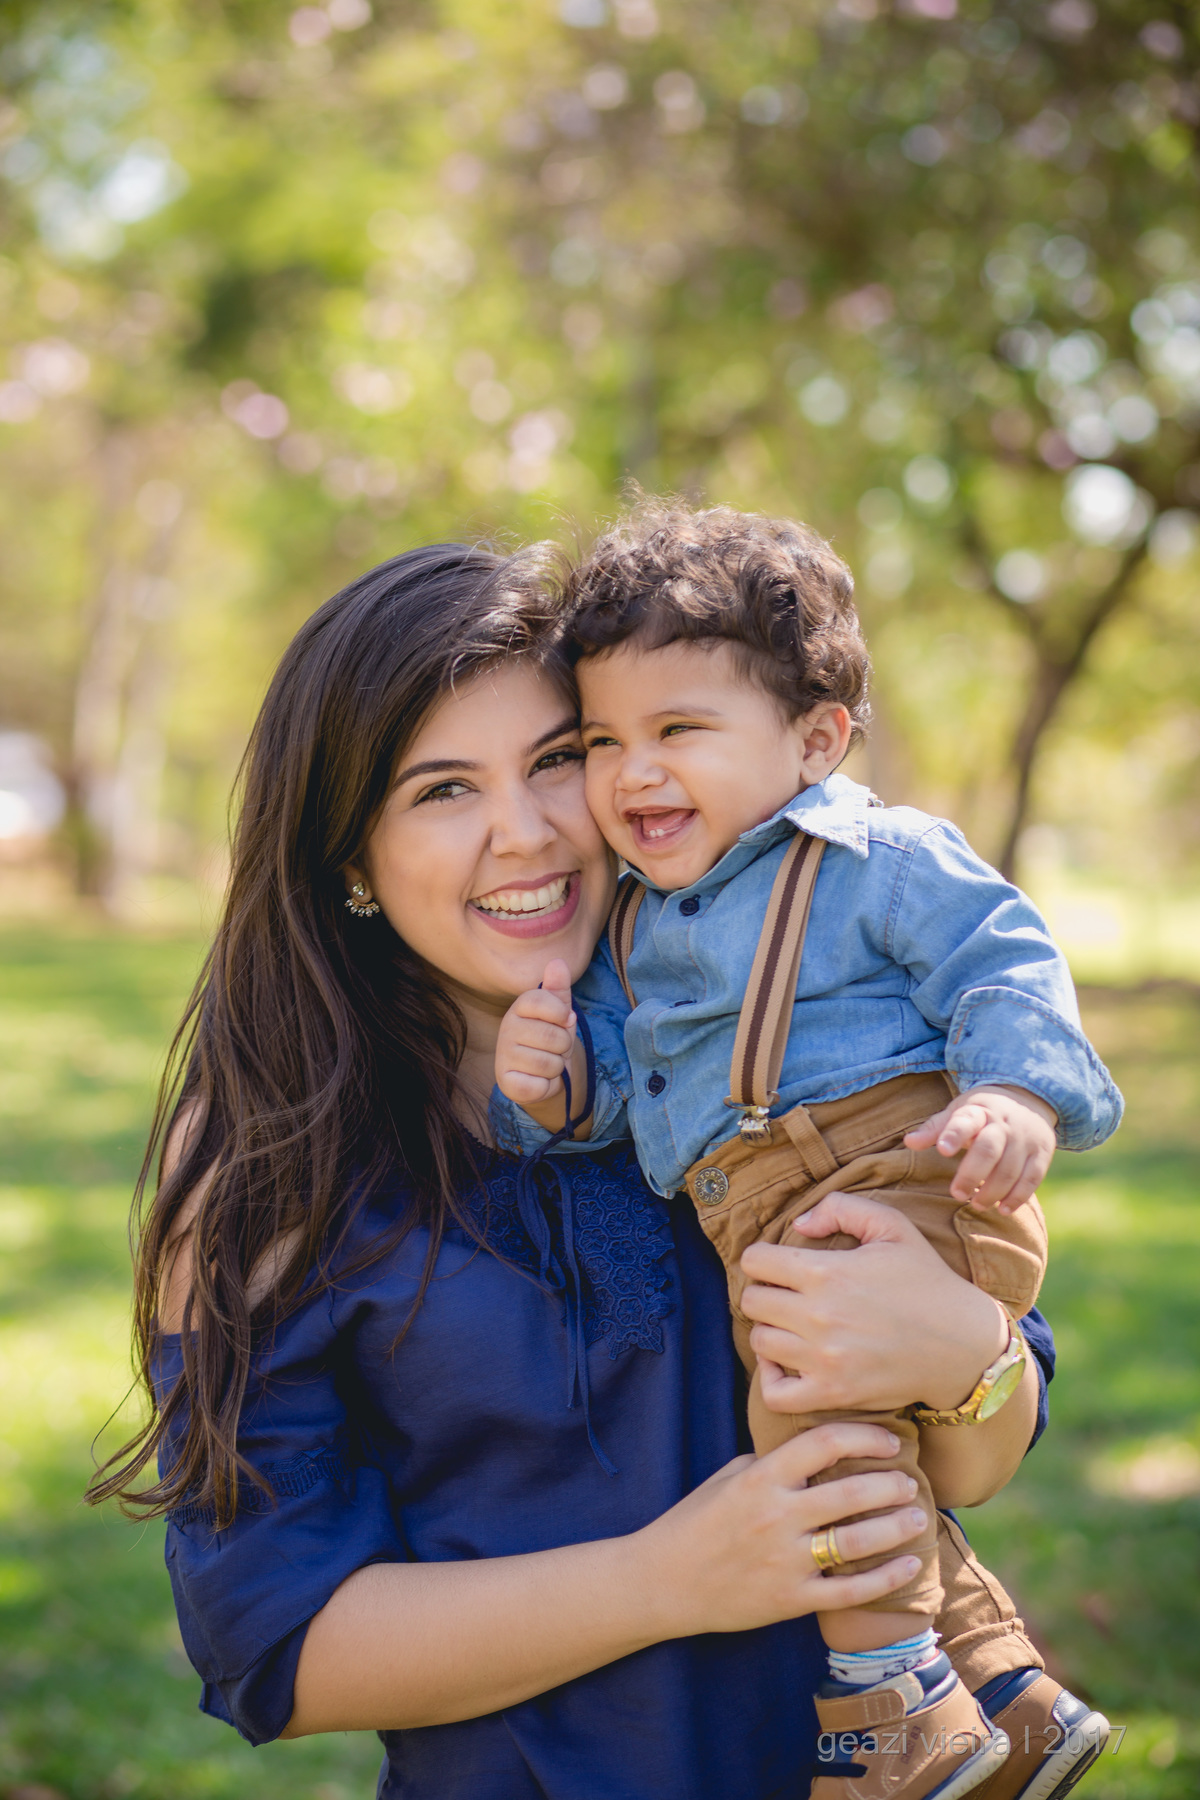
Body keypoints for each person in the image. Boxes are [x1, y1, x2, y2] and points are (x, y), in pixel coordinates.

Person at [90, 543, 1057, 1800]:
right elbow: (275, 1646)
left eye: (558, 759)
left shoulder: (793, 1033)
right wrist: (671, 1578)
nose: (529, 832)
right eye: (442, 790)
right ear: (349, 858)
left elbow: (973, 1459)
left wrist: (967, 1359)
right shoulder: (269, 1156)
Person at [493, 500, 1118, 1800]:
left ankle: (897, 1714)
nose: (631, 774)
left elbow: (1001, 959)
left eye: (678, 731)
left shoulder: (869, 858)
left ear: (817, 739)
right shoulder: (638, 929)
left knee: (806, 1420)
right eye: (603, 739)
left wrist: (1016, 1099)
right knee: (845, 1441)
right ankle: (1011, 1694)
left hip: (909, 1170)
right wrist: (555, 1089)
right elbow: (627, 1099)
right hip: (767, 1206)